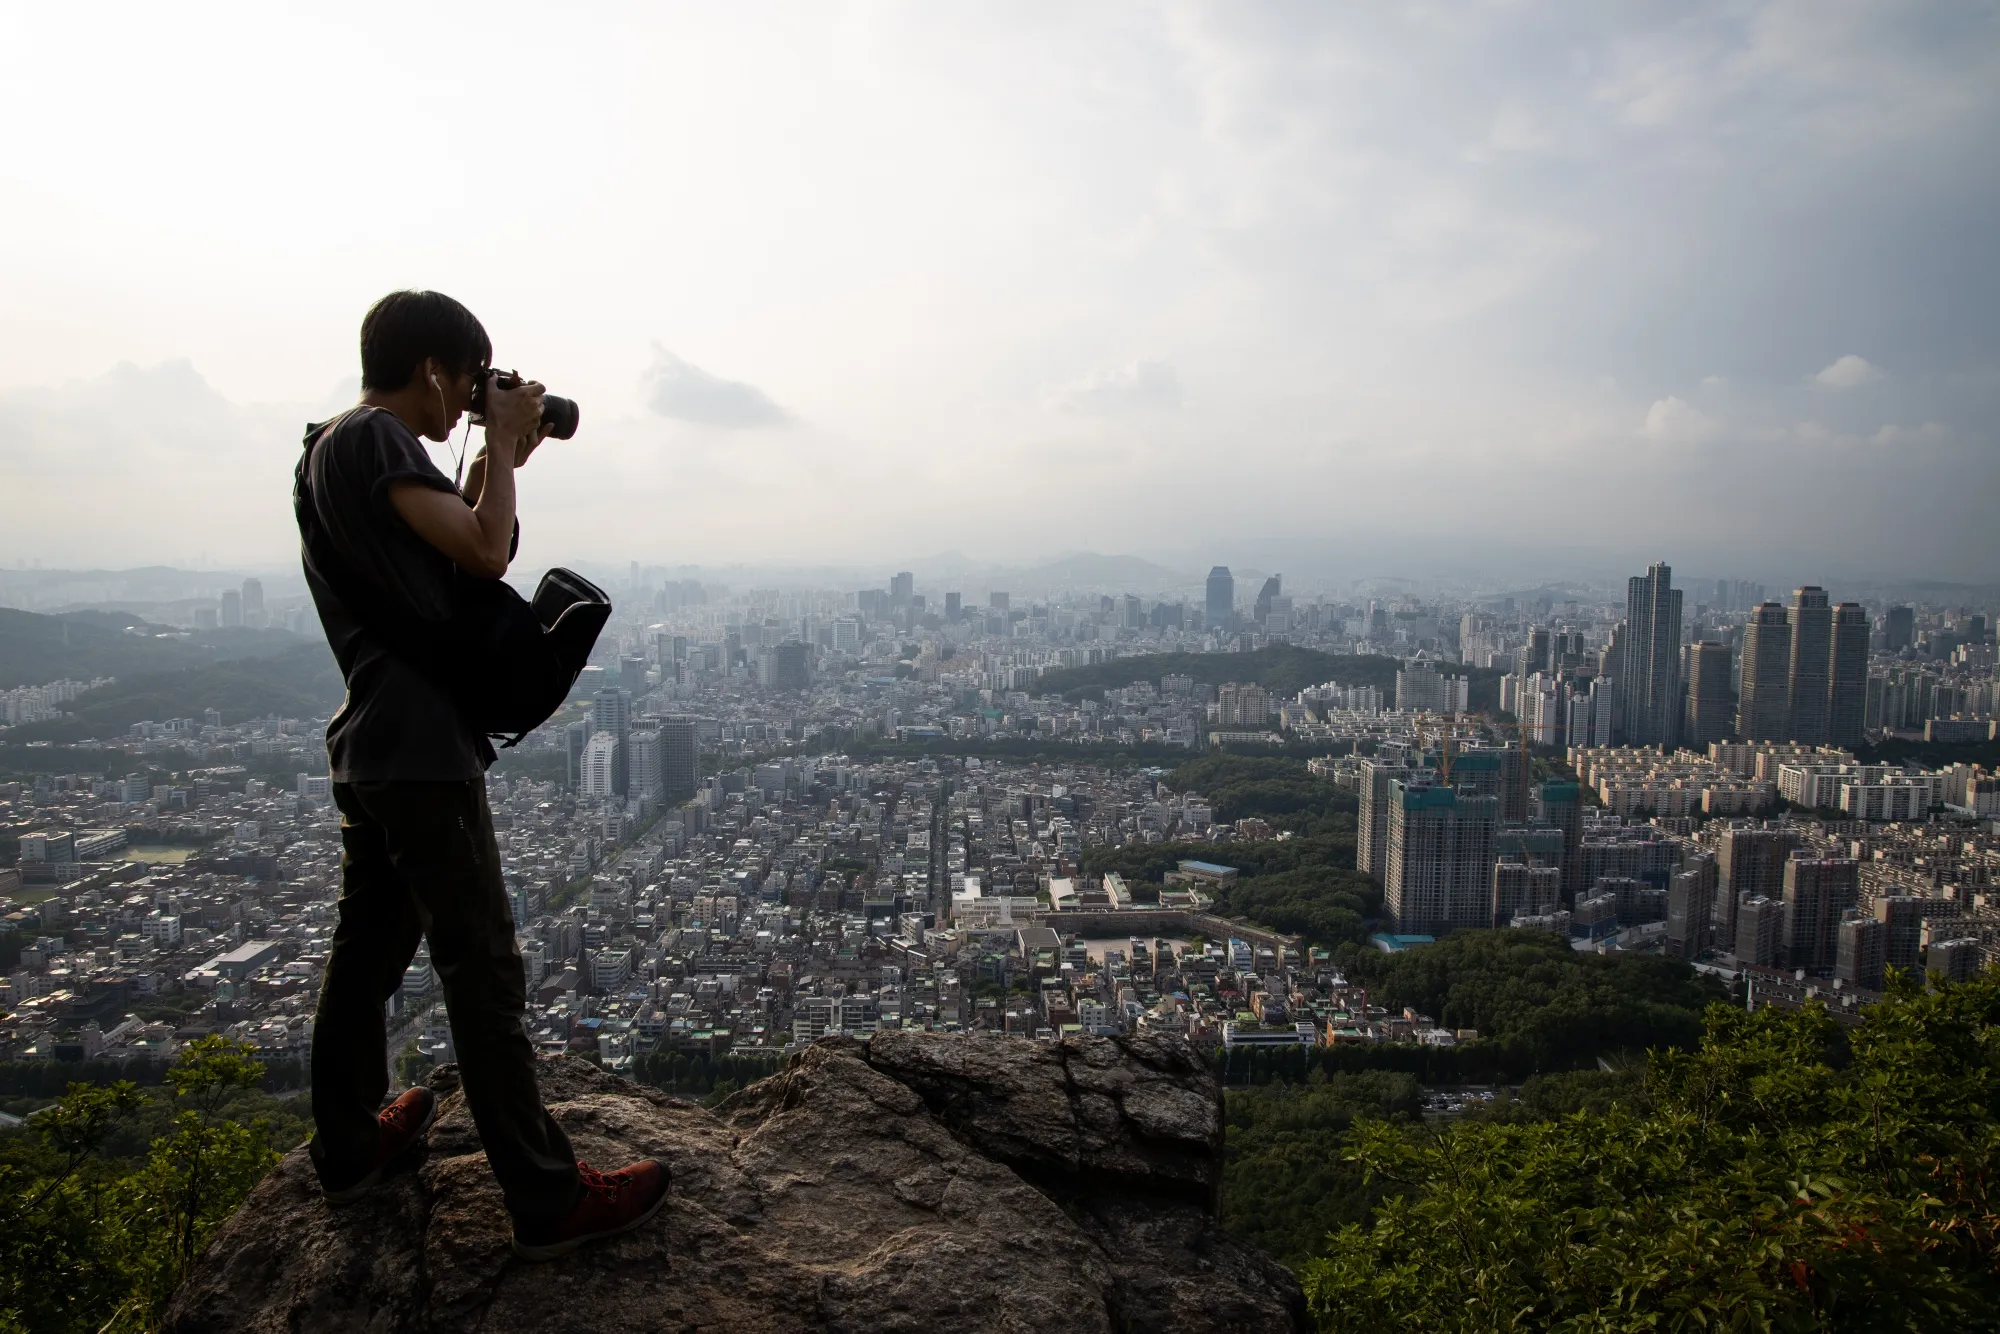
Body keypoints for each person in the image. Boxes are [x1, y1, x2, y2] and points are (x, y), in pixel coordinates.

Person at [295, 290, 667, 1261]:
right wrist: (499, 443)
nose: (468, 399)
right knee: (484, 968)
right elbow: (486, 552)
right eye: (467, 381)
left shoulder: (330, 448)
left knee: (368, 955)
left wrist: (499, 459)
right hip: (421, 754)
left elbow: (443, 561)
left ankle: (348, 1144)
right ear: (432, 369)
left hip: (374, 748)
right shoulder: (375, 436)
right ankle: (546, 1196)